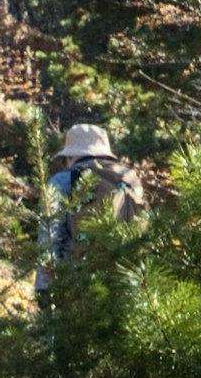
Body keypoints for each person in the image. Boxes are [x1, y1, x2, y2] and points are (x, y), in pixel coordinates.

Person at [39, 113, 138, 298]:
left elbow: (49, 237)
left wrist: (44, 289)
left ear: (70, 156)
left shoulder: (62, 181)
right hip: (124, 282)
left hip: (78, 285)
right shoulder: (127, 179)